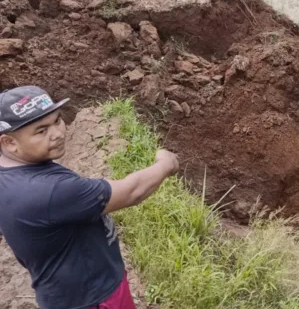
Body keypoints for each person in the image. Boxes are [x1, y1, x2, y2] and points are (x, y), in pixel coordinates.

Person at [0, 86, 179, 309]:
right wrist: (165, 163)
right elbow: (133, 192)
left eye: (57, 120)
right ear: (9, 143)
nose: (57, 133)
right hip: (95, 297)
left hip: (63, 292)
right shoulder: (49, 191)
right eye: (41, 130)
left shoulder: (9, 175)